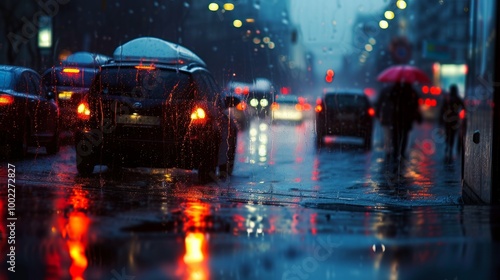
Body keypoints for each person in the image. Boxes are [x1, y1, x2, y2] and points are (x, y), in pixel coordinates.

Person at [376, 82, 422, 163]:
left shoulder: (393, 91)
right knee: (403, 136)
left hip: (396, 118)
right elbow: (415, 105)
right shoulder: (411, 92)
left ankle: (395, 151)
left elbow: (385, 101)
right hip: (405, 119)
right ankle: (400, 152)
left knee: (395, 135)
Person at [439, 84, 464, 161]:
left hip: (447, 120)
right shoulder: (457, 99)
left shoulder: (448, 98)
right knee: (452, 135)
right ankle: (450, 148)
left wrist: (441, 120)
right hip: (454, 120)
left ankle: (448, 147)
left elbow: (442, 109)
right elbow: (463, 107)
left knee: (448, 134)